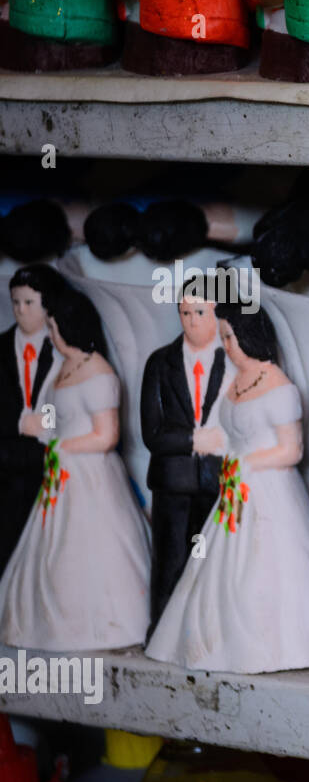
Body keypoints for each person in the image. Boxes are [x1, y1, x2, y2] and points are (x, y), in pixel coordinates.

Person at [146, 302, 309, 673]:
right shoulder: (235, 381)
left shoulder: (280, 387)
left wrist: (246, 463)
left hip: (269, 491)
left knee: (269, 563)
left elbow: (291, 449)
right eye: (224, 338)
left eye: (231, 337)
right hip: (234, 490)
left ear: (250, 336)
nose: (227, 346)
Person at [0, 285, 151, 650]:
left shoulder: (99, 373)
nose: (50, 335)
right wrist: (37, 427)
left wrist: (63, 446)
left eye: (53, 327)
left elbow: (106, 435)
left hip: (90, 478)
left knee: (93, 548)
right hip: (60, 475)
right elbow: (54, 417)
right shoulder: (61, 368)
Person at [139, 282, 231, 632]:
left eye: (201, 312)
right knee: (171, 558)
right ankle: (162, 628)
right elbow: (152, 433)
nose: (192, 321)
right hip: (173, 481)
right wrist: (195, 438)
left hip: (219, 479)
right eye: (185, 313)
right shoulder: (160, 363)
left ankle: (208, 632)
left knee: (213, 560)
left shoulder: (233, 356)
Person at [1, 265, 65, 573]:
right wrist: (17, 422)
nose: (21, 311)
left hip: (49, 459)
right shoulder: (0, 348)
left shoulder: (64, 347)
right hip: (6, 463)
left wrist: (48, 422)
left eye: (29, 303)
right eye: (16, 302)